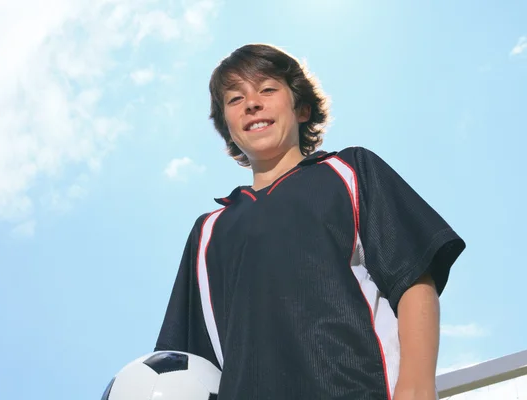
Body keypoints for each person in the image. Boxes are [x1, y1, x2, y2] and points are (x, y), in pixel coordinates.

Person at [154, 43, 466, 400]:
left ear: (302, 108)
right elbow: (187, 365)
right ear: (227, 126)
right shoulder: (207, 232)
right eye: (235, 99)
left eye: (267, 89)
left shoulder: (350, 172)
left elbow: (413, 281)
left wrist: (417, 387)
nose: (252, 103)